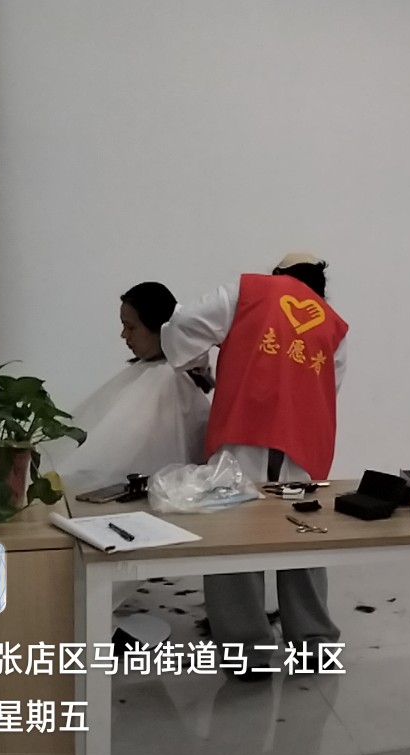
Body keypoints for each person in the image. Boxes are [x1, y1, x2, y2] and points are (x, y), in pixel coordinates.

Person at [160, 252, 349, 681]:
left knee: (233, 540)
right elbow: (329, 388)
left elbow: (183, 324)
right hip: (302, 445)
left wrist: (198, 367)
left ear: (278, 274)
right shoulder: (333, 323)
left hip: (244, 433)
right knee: (302, 538)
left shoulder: (245, 292)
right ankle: (314, 646)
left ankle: (247, 654)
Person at [45, 281, 211, 494]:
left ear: (158, 327)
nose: (124, 335)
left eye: (131, 327)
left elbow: (130, 454)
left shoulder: (170, 379)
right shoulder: (155, 372)